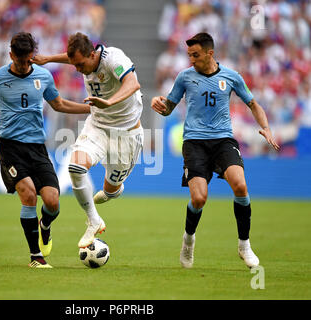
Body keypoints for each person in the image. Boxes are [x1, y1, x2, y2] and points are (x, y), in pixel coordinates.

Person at [151, 33, 280, 269]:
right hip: (194, 142)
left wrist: (266, 128)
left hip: (223, 140)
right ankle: (188, 240)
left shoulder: (231, 77)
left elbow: (253, 103)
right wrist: (159, 105)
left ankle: (244, 245)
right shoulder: (184, 77)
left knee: (240, 185)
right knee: (199, 199)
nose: (191, 59)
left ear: (210, 53)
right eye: (189, 55)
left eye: (196, 55)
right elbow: (168, 107)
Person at [0, 32, 90, 268]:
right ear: (11, 55)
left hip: (37, 148)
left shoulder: (44, 75)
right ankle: (36, 257)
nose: (23, 65)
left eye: (27, 60)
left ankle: (45, 225)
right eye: (18, 60)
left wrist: (89, 110)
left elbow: (59, 104)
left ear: (32, 55)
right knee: (29, 194)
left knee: (52, 202)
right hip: (10, 147)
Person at [32, 32, 144, 248]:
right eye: (75, 65)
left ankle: (114, 190)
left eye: (81, 64)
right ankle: (93, 220)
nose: (78, 69)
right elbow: (71, 57)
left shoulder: (114, 59)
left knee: (110, 190)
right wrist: (47, 59)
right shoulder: (83, 58)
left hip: (126, 133)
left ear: (92, 55)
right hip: (98, 126)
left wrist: (109, 102)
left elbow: (132, 84)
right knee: (75, 167)